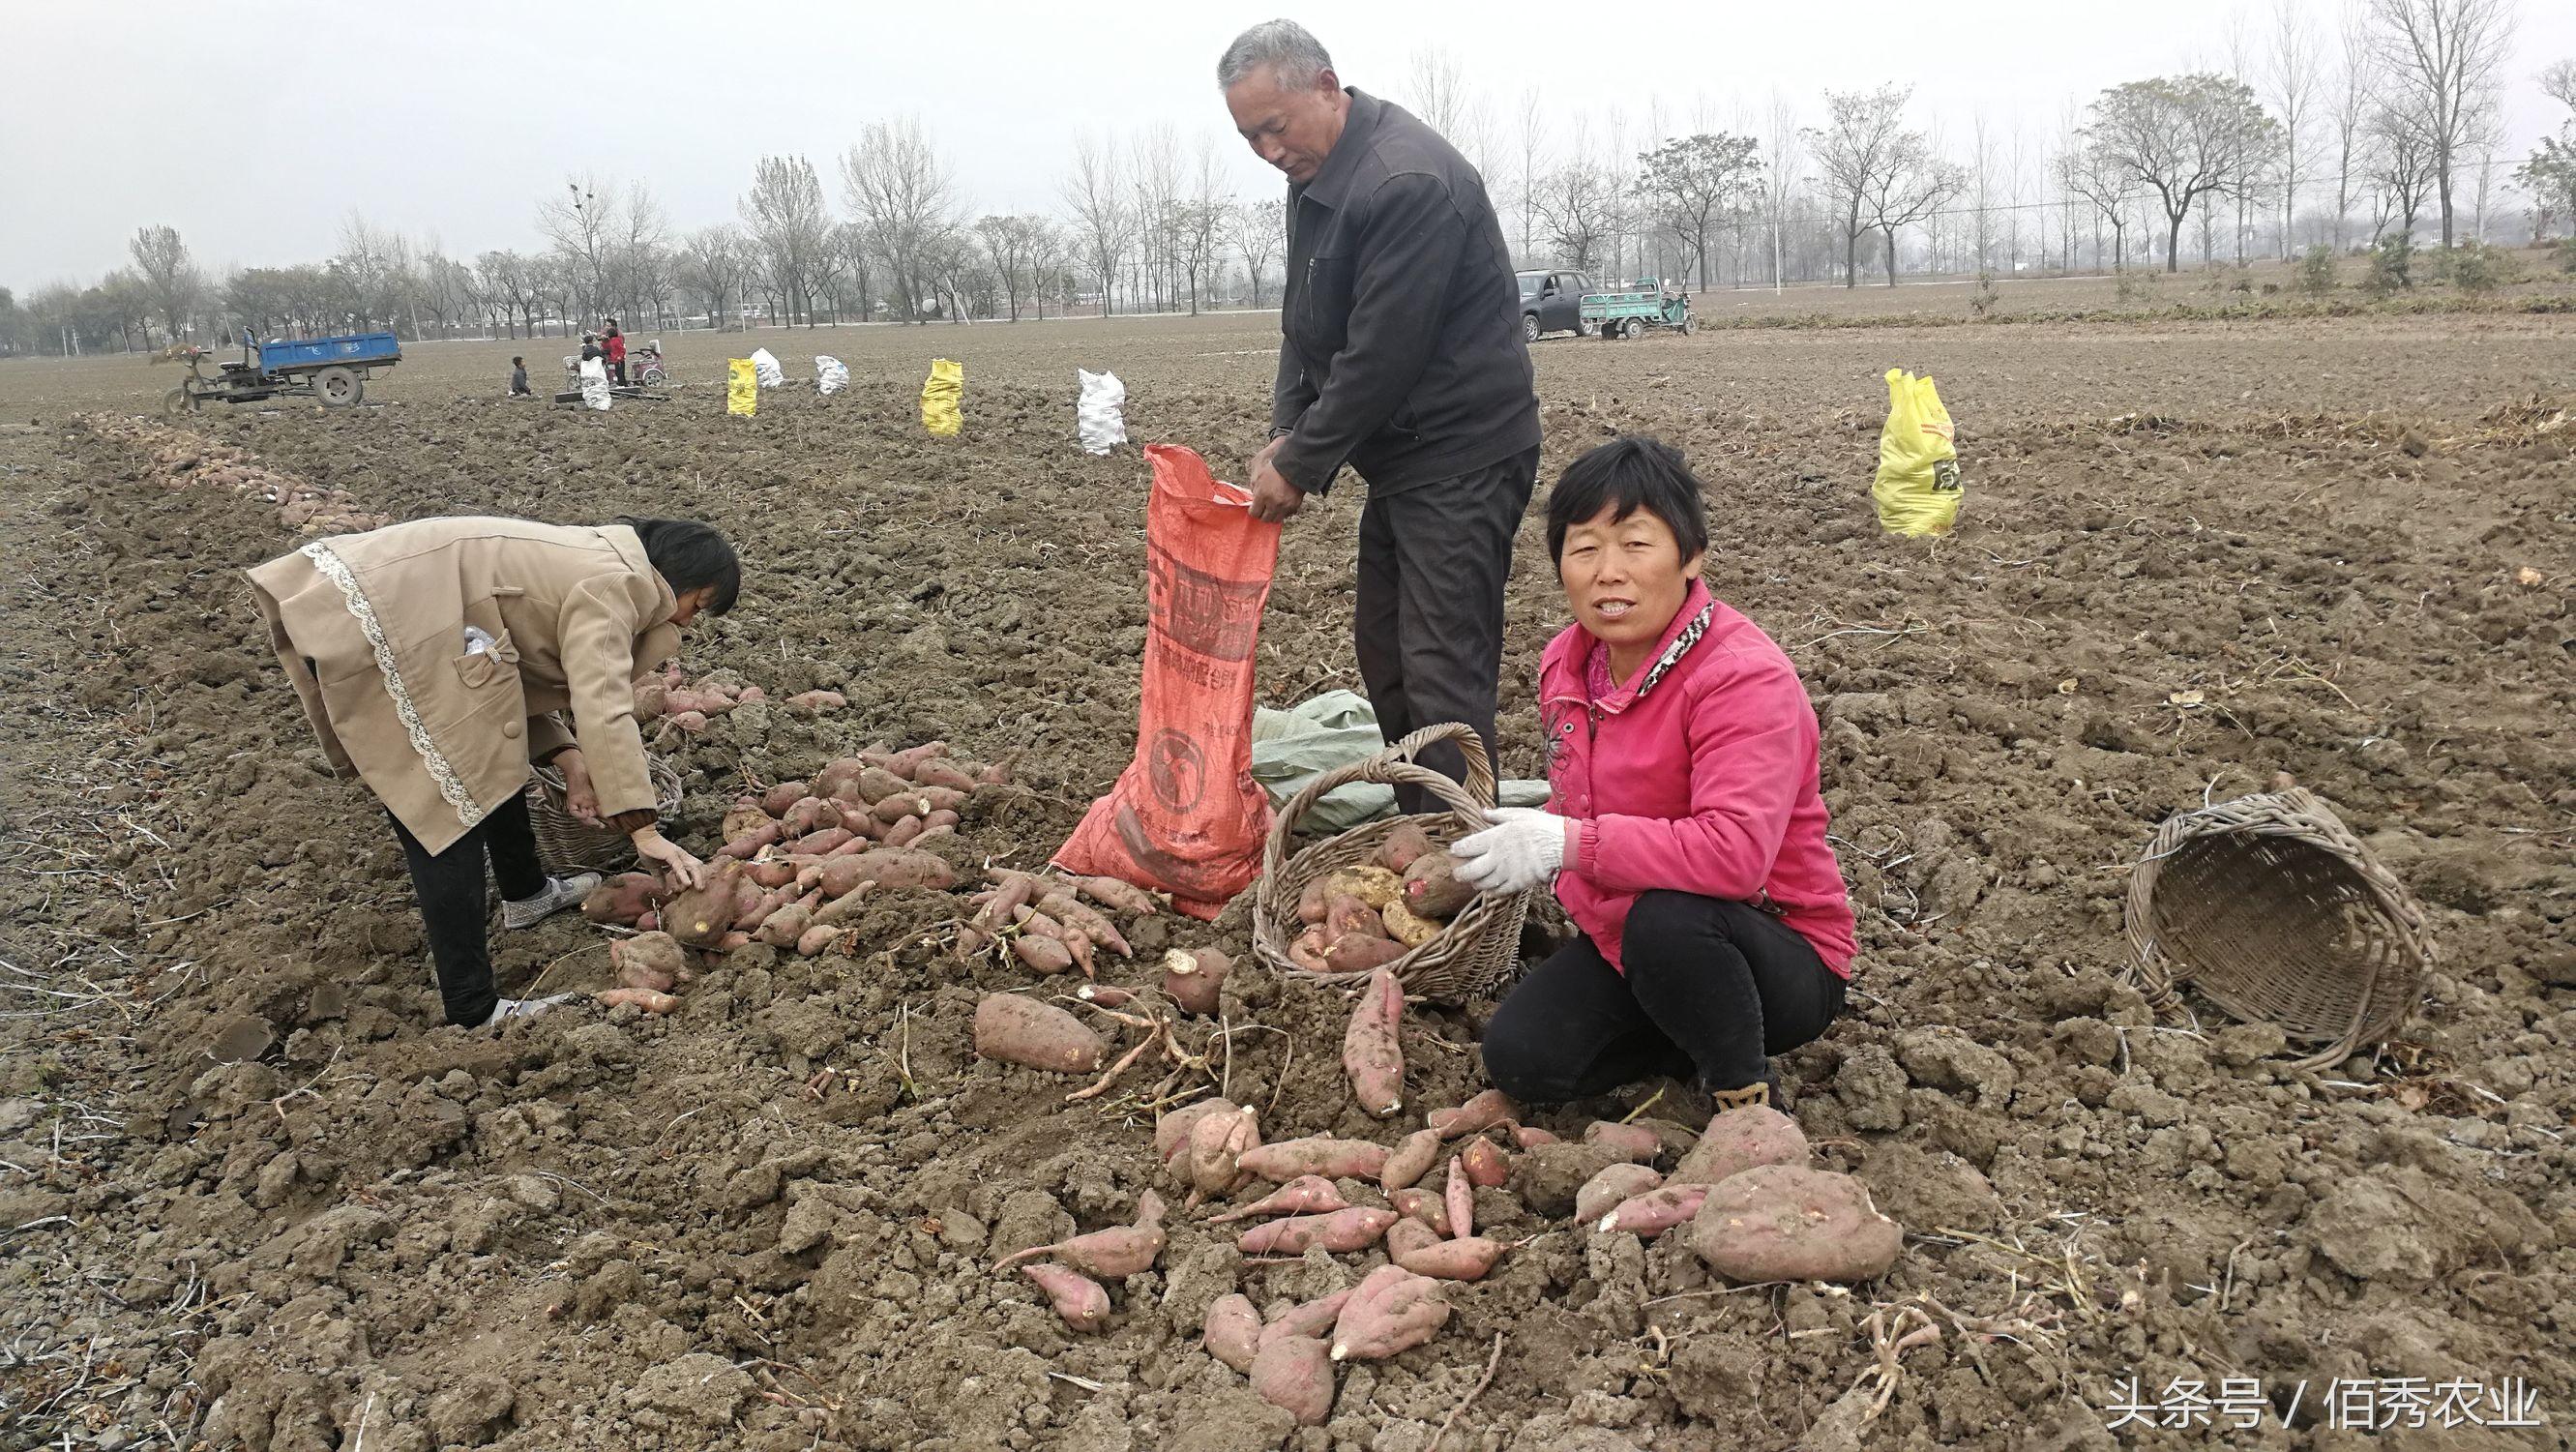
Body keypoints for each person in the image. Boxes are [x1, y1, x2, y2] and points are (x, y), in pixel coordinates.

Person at [1458, 437, 1856, 1111]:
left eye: (1635, 544)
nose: (1607, 571)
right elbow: (1578, 792)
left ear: (1690, 555)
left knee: (1668, 921)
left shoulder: (1739, 676)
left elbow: (1734, 856)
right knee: (1523, 1060)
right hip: (1628, 944)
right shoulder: (1565, 661)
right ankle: (1690, 1030)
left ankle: (1742, 1091)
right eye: (1583, 548)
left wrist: (1565, 843)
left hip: (1768, 949)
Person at [1218, 20, 1541, 807]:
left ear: (1326, 88)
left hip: (1461, 453)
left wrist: (1299, 463)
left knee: (1441, 665)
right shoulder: (1317, 178)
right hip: (1404, 461)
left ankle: (1458, 855)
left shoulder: (1403, 181)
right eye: (1248, 135)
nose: (1267, 150)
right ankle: (1416, 823)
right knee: (1387, 654)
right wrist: (1284, 430)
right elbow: (1308, 322)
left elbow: (1381, 354)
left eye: (1274, 127)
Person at [245, 517, 739, 1028]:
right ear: (677, 574)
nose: (687, 622)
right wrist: (643, 828)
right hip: (391, 620)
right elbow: (603, 702)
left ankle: (525, 894)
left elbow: (510, 675)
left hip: (422, 619)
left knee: (484, 752)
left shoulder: (606, 563)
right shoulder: (620, 584)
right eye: (698, 604)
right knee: (443, 803)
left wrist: (568, 757)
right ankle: (473, 1006)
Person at [603, 320, 627, 387]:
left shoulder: (618, 337)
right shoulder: (611, 337)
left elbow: (622, 349)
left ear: (613, 327)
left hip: (618, 359)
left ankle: (623, 386)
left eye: (608, 326)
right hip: (615, 359)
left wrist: (619, 357)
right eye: (606, 325)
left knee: (620, 374)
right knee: (617, 373)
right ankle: (622, 385)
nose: (606, 327)